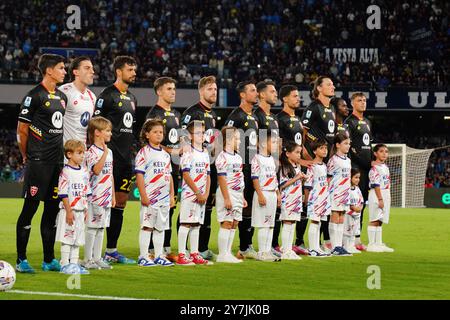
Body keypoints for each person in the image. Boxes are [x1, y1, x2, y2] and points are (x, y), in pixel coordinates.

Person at [16, 53, 68, 273]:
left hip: (57, 162)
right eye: (61, 68)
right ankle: (21, 260)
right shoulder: (34, 96)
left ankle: (49, 259)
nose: (64, 71)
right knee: (30, 208)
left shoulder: (62, 97)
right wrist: (27, 155)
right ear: (49, 70)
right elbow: (22, 130)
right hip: (38, 162)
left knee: (51, 211)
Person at [94, 55, 138, 264]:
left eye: (134, 69)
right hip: (108, 159)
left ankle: (111, 250)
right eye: (130, 69)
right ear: (119, 71)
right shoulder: (106, 95)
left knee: (120, 204)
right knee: (101, 204)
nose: (134, 73)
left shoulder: (132, 98)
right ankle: (92, 254)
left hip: (126, 159)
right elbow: (95, 124)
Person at [181, 75, 219, 261]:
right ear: (201, 91)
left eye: (215, 89)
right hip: (193, 169)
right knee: (189, 212)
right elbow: (184, 139)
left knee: (206, 210)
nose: (214, 92)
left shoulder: (213, 115)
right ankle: (186, 249)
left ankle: (201, 248)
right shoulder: (193, 113)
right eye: (210, 89)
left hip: (207, 167)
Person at [146, 77, 181, 262]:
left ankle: (165, 248)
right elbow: (153, 143)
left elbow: (179, 139)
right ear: (159, 92)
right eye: (169, 89)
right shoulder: (154, 114)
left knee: (169, 209)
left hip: (173, 168)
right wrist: (173, 151)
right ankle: (151, 248)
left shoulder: (175, 114)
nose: (173, 92)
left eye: (174, 88)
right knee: (155, 209)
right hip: (157, 170)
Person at [301, 76, 336, 253]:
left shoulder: (332, 109)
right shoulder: (313, 107)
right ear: (319, 89)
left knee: (321, 204)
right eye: (329, 84)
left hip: (323, 162)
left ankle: (318, 243)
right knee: (307, 203)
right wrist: (306, 155)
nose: (333, 87)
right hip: (311, 163)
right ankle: (299, 241)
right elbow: (303, 130)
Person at [224, 81, 259, 260]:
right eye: (252, 90)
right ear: (243, 95)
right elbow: (226, 141)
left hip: (253, 167)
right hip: (240, 169)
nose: (256, 93)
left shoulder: (254, 117)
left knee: (250, 207)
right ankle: (239, 247)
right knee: (241, 207)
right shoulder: (235, 116)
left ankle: (247, 245)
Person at [276, 85, 311, 256]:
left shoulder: (297, 119)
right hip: (285, 166)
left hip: (297, 165)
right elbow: (277, 144)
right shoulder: (279, 119)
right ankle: (277, 245)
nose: (298, 99)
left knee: (298, 208)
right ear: (285, 99)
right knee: (283, 210)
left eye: (298, 96)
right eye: (295, 96)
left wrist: (306, 157)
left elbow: (301, 142)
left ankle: (293, 244)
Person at [135, 119, 175, 267]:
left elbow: (169, 175)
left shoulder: (165, 154)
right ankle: (143, 256)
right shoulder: (144, 153)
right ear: (147, 135)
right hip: (150, 197)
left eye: (161, 132)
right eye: (155, 132)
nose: (159, 135)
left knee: (161, 227)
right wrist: (143, 195)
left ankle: (159, 255)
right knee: (147, 226)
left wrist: (171, 195)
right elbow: (139, 175)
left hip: (163, 198)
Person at [177, 121, 212, 266]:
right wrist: (197, 192)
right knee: (186, 223)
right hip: (190, 195)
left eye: (203, 133)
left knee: (197, 224)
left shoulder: (205, 153)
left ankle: (194, 253)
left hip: (202, 196)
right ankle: (181, 254)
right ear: (190, 136)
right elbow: (185, 175)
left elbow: (208, 175)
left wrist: (206, 193)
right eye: (198, 133)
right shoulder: (187, 152)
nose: (201, 135)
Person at [82, 117, 115, 270]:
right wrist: (105, 153)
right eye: (107, 131)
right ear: (97, 133)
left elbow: (110, 174)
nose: (110, 134)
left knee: (102, 227)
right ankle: (87, 259)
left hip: (107, 195)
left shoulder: (109, 152)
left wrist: (113, 195)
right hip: (95, 195)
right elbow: (96, 170)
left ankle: (97, 258)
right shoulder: (91, 152)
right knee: (92, 227)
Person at [56, 140, 91, 275]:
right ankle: (64, 264)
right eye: (79, 153)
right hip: (69, 211)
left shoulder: (84, 171)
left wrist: (86, 209)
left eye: (83, 153)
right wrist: (69, 211)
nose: (82, 156)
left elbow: (86, 192)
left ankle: (74, 264)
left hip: (81, 211)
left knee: (78, 239)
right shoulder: (66, 172)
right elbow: (63, 193)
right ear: (69, 154)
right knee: (67, 237)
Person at [255, 80, 281, 257]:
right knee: (258, 215)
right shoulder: (257, 116)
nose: (275, 94)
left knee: (271, 217)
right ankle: (248, 246)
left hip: (272, 166)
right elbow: (254, 142)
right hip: (260, 169)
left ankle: (268, 247)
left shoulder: (274, 118)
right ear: (262, 95)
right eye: (272, 92)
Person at [344, 92, 373, 251]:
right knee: (352, 203)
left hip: (366, 170)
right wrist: (360, 164)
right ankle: (347, 238)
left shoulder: (367, 122)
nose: (363, 103)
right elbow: (349, 147)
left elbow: (368, 146)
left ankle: (357, 237)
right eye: (359, 100)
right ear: (352, 103)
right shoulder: (350, 122)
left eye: (364, 100)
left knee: (361, 204)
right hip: (355, 169)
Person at [215, 126, 246, 263]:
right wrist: (227, 198)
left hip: (238, 194)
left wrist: (242, 196)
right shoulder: (222, 157)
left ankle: (228, 253)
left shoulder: (238, 157)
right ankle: (222, 254)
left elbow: (240, 178)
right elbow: (222, 178)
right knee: (227, 223)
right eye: (237, 139)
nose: (239, 142)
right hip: (227, 193)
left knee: (234, 223)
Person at [251, 131, 281, 262]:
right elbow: (255, 177)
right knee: (263, 224)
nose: (276, 145)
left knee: (270, 224)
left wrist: (278, 193)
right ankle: (262, 252)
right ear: (263, 143)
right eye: (273, 142)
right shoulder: (257, 158)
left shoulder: (271, 159)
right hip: (263, 192)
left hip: (272, 193)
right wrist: (260, 194)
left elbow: (274, 178)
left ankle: (267, 250)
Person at [304, 139, 332, 258]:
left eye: (325, 148)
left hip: (323, 198)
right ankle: (312, 249)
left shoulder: (324, 166)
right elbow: (307, 184)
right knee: (314, 221)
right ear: (315, 151)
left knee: (319, 222)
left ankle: (317, 247)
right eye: (321, 148)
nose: (325, 150)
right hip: (315, 198)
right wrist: (306, 199)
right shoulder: (312, 166)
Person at [278, 141, 306, 260]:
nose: (299, 155)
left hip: (296, 198)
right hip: (288, 198)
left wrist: (302, 180)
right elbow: (282, 185)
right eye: (297, 152)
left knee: (293, 222)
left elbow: (296, 182)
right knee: (288, 222)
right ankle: (285, 249)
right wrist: (297, 178)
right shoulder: (284, 166)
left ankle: (289, 249)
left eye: (300, 153)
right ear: (288, 153)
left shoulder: (297, 166)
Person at [60, 56, 96, 145]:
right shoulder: (64, 92)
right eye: (87, 68)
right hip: (64, 153)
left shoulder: (92, 97)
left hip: (82, 153)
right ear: (76, 72)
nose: (92, 72)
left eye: (92, 68)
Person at [326, 132, 352, 256]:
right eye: (345, 143)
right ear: (337, 145)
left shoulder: (348, 160)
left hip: (345, 193)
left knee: (342, 218)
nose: (348, 146)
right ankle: (334, 246)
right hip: (335, 192)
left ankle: (339, 245)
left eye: (349, 144)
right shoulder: (333, 160)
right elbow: (328, 178)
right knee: (335, 216)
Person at [367, 144, 394, 253]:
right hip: (377, 194)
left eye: (386, 152)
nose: (384, 154)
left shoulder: (385, 167)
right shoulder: (374, 168)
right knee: (374, 219)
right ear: (375, 153)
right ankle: (371, 244)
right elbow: (376, 184)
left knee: (381, 220)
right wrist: (380, 199)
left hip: (386, 193)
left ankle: (378, 243)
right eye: (381, 151)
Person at [343, 168, 364, 254]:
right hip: (349, 214)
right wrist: (353, 208)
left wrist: (360, 207)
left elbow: (361, 199)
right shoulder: (346, 189)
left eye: (358, 178)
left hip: (356, 214)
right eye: (355, 177)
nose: (358, 180)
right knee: (347, 230)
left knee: (354, 231)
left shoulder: (357, 189)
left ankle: (352, 246)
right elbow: (346, 201)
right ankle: (346, 246)